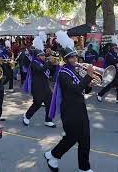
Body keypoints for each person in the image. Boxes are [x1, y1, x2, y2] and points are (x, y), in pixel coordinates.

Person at [45, 34, 94, 172]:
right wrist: (88, 76)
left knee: (85, 139)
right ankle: (53, 155)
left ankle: (84, 168)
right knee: (72, 138)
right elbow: (75, 89)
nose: (74, 59)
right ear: (66, 59)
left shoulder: (77, 70)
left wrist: (90, 82)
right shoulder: (63, 73)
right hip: (70, 110)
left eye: (75, 56)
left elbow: (84, 89)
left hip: (80, 108)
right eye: (71, 57)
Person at [22, 36, 56, 128]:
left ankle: (48, 120)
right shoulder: (34, 63)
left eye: (44, 55)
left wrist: (54, 65)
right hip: (37, 86)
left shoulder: (44, 62)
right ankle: (27, 116)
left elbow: (50, 73)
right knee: (37, 103)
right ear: (37, 56)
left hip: (46, 85)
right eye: (42, 55)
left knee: (49, 102)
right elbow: (40, 70)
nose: (44, 57)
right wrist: (48, 62)